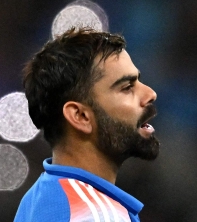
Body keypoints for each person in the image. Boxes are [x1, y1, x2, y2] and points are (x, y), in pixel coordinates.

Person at [13, 28, 159, 222]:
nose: (150, 94)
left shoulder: (36, 201)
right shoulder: (98, 216)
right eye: (127, 87)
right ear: (80, 116)